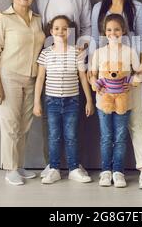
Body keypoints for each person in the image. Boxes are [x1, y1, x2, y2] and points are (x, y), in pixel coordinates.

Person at [0, 0, 92, 178]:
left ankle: (74, 164)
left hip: (70, 60)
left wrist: (80, 50)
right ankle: (51, 164)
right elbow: (17, 9)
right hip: (44, 61)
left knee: (69, 117)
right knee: (48, 116)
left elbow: (86, 26)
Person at [90, 0, 142, 189]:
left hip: (130, 73)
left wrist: (137, 75)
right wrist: (96, 79)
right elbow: (93, 42)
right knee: (109, 129)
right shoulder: (99, 8)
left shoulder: (137, 7)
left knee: (136, 122)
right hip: (105, 80)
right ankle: (110, 170)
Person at [0, 0, 45, 185]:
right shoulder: (1, 19)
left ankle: (19, 165)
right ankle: (10, 168)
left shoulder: (37, 19)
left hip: (32, 78)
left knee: (24, 125)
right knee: (10, 124)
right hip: (8, 77)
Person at [33, 15, 94, 184]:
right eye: (57, 28)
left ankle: (74, 168)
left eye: (65, 28)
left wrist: (89, 100)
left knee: (71, 135)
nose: (61, 31)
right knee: (53, 136)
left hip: (72, 101)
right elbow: (40, 79)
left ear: (70, 31)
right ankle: (54, 168)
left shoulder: (77, 52)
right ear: (51, 31)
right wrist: (36, 102)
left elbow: (82, 78)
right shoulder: (46, 53)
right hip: (51, 102)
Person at [90, 14, 142, 188]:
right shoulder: (99, 52)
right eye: (109, 30)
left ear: (123, 31)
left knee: (120, 137)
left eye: (117, 29)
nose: (113, 33)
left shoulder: (130, 52)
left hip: (123, 101)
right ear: (104, 32)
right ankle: (106, 171)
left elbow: (139, 70)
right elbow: (92, 74)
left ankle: (118, 171)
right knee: (106, 137)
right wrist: (94, 84)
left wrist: (133, 83)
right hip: (102, 102)